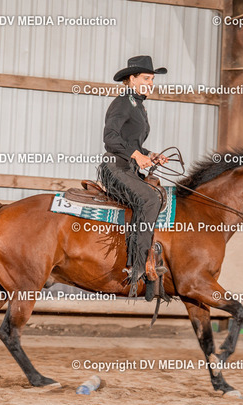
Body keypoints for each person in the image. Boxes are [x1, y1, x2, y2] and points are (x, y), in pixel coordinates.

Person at [98, 55, 169, 297]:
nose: (151, 83)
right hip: (115, 168)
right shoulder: (122, 103)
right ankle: (138, 266)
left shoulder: (138, 105)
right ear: (132, 78)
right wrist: (137, 155)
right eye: (146, 78)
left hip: (128, 167)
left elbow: (132, 142)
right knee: (149, 199)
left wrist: (150, 154)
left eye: (152, 79)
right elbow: (110, 138)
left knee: (157, 194)